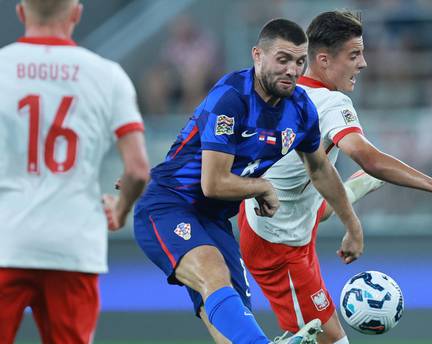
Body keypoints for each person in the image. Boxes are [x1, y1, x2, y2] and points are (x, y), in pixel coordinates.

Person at [238, 11, 432, 344]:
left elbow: (312, 199)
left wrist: (359, 188)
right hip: (279, 247)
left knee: (311, 204)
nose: (363, 63)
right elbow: (367, 157)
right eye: (354, 55)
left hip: (276, 227)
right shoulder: (329, 101)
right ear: (323, 60)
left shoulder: (286, 92)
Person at [133, 18, 363, 344]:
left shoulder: (300, 109)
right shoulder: (231, 98)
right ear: (258, 56)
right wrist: (261, 187)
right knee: (213, 272)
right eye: (282, 59)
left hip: (215, 220)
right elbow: (212, 183)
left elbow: (321, 171)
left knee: (230, 317)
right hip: (170, 206)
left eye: (299, 61)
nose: (291, 70)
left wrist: (352, 224)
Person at [0, 1, 149, 343]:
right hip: (73, 244)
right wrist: (121, 209)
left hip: (5, 239)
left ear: (21, 12)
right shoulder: (107, 76)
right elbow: (139, 170)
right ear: (76, 14)